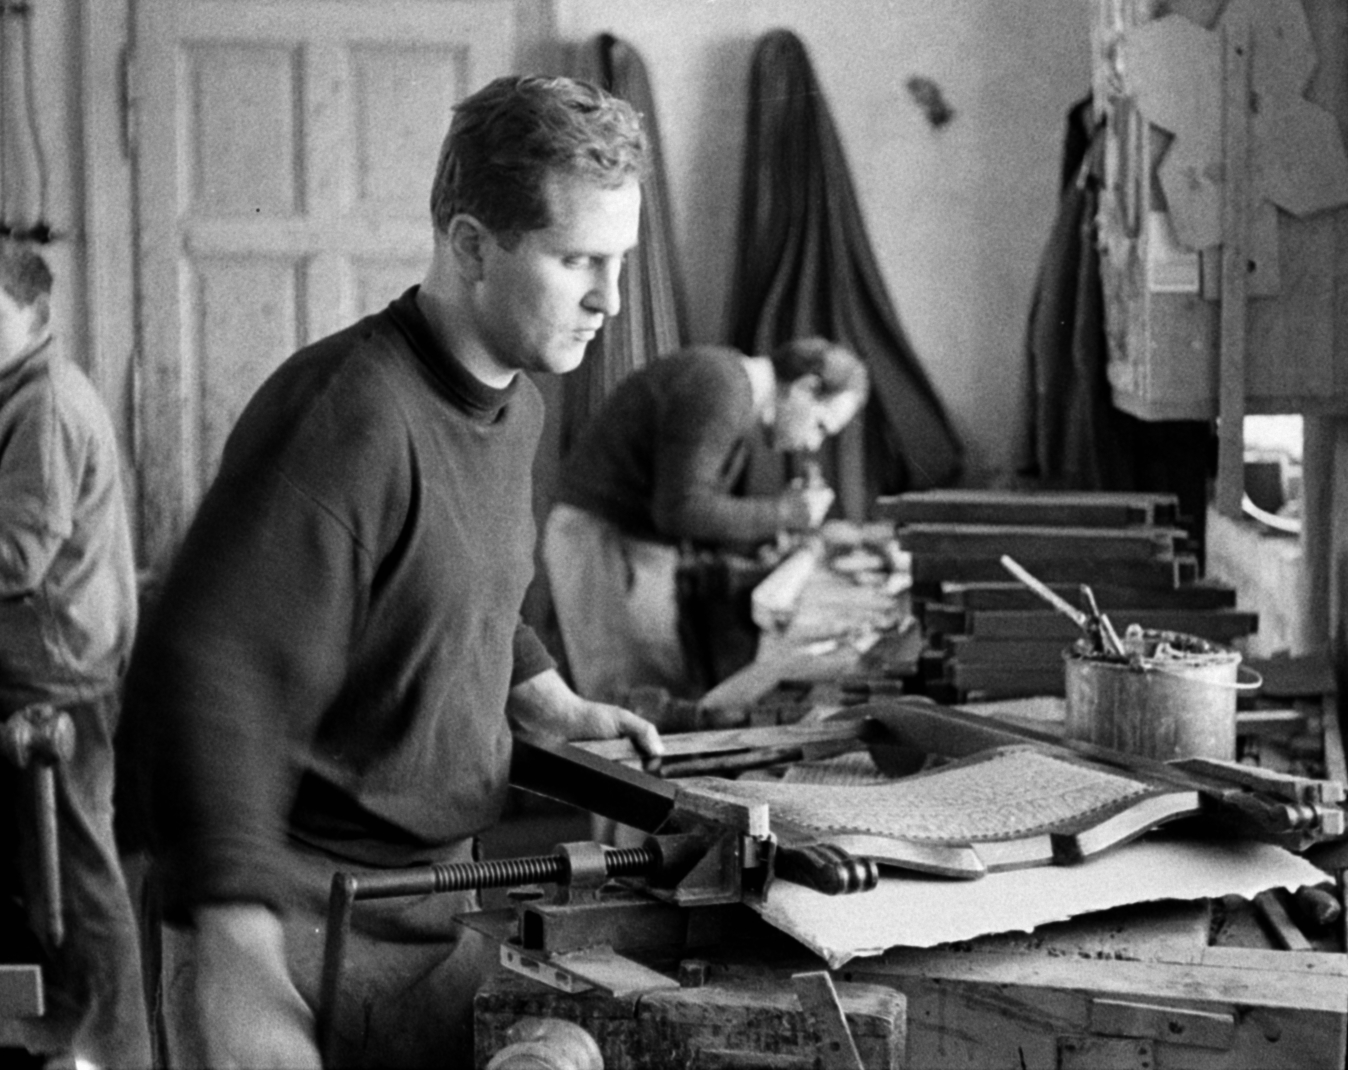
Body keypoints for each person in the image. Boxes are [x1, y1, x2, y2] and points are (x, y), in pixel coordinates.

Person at [119, 76, 664, 1069]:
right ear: (467, 246)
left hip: (429, 896)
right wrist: (237, 951)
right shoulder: (348, 416)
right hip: (288, 909)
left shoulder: (519, 404)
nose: (609, 300)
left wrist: (544, 697)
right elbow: (205, 675)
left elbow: (471, 575)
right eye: (578, 260)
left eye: (619, 261)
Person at [0, 239, 151, 1068]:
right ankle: (70, 1040)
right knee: (50, 878)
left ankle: (117, 1053)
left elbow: (17, 555)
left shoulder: (47, 404)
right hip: (43, 669)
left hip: (55, 680)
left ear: (36, 318)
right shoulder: (16, 392)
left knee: (84, 883)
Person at [544, 339, 869, 704]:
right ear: (805, 388)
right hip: (605, 541)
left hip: (628, 543)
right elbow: (681, 511)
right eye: (821, 426)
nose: (811, 444)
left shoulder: (731, 387)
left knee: (657, 695)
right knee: (635, 701)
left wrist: (769, 534)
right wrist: (787, 514)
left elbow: (688, 502)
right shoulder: (721, 386)